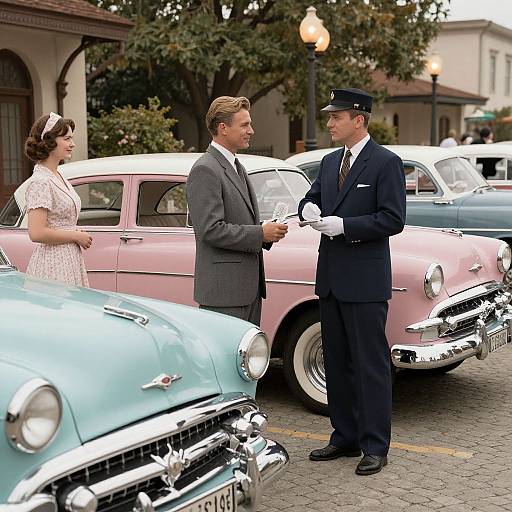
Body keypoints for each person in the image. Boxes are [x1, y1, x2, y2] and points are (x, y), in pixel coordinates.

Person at [298, 88, 406, 475]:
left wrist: (345, 226)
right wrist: (307, 208)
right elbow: (309, 200)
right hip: (330, 280)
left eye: (335, 117)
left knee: (370, 365)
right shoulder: (329, 163)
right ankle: (343, 436)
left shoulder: (385, 163)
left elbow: (393, 219)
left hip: (364, 282)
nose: (329, 123)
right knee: (338, 362)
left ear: (358, 119)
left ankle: (375, 444)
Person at [186, 96, 288, 325]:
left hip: (247, 290)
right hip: (224, 293)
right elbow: (210, 230)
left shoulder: (235, 165)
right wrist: (260, 234)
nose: (251, 131)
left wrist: (265, 232)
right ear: (223, 128)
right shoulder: (205, 169)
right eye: (244, 125)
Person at [24, 112, 92, 286]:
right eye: (67, 139)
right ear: (50, 141)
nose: (72, 144)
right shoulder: (41, 181)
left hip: (68, 259)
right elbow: (36, 232)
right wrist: (75, 236)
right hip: (53, 265)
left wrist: (75, 233)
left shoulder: (57, 176)